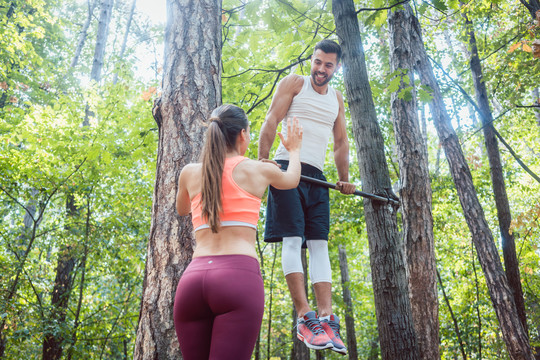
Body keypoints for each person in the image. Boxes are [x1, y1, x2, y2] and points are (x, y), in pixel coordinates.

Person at [173, 104, 303, 360]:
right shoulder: (260, 169)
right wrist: (294, 150)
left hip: (192, 281)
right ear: (243, 135)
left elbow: (182, 209)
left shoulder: (189, 173)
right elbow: (292, 180)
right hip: (236, 277)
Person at [258, 39, 356, 354]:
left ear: (336, 67)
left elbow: (341, 143)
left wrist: (345, 179)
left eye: (328, 65)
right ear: (312, 61)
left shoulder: (336, 99)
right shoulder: (295, 83)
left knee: (319, 244)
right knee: (292, 239)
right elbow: (272, 118)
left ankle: (326, 318)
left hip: (318, 178)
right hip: (288, 168)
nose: (321, 69)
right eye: (317, 62)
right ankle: (304, 315)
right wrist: (263, 158)